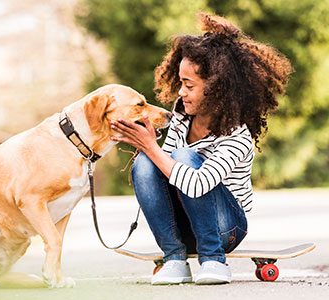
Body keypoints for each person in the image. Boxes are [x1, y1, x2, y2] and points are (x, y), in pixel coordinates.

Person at [110, 12, 292, 285]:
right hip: (184, 225)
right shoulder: (182, 116)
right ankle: (174, 259)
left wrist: (151, 148)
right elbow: (164, 167)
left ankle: (214, 260)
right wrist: (145, 145)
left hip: (226, 229)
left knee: (182, 156)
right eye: (180, 83)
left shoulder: (237, 135)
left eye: (188, 85)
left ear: (217, 88)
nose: (180, 92)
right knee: (145, 164)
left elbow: (197, 184)